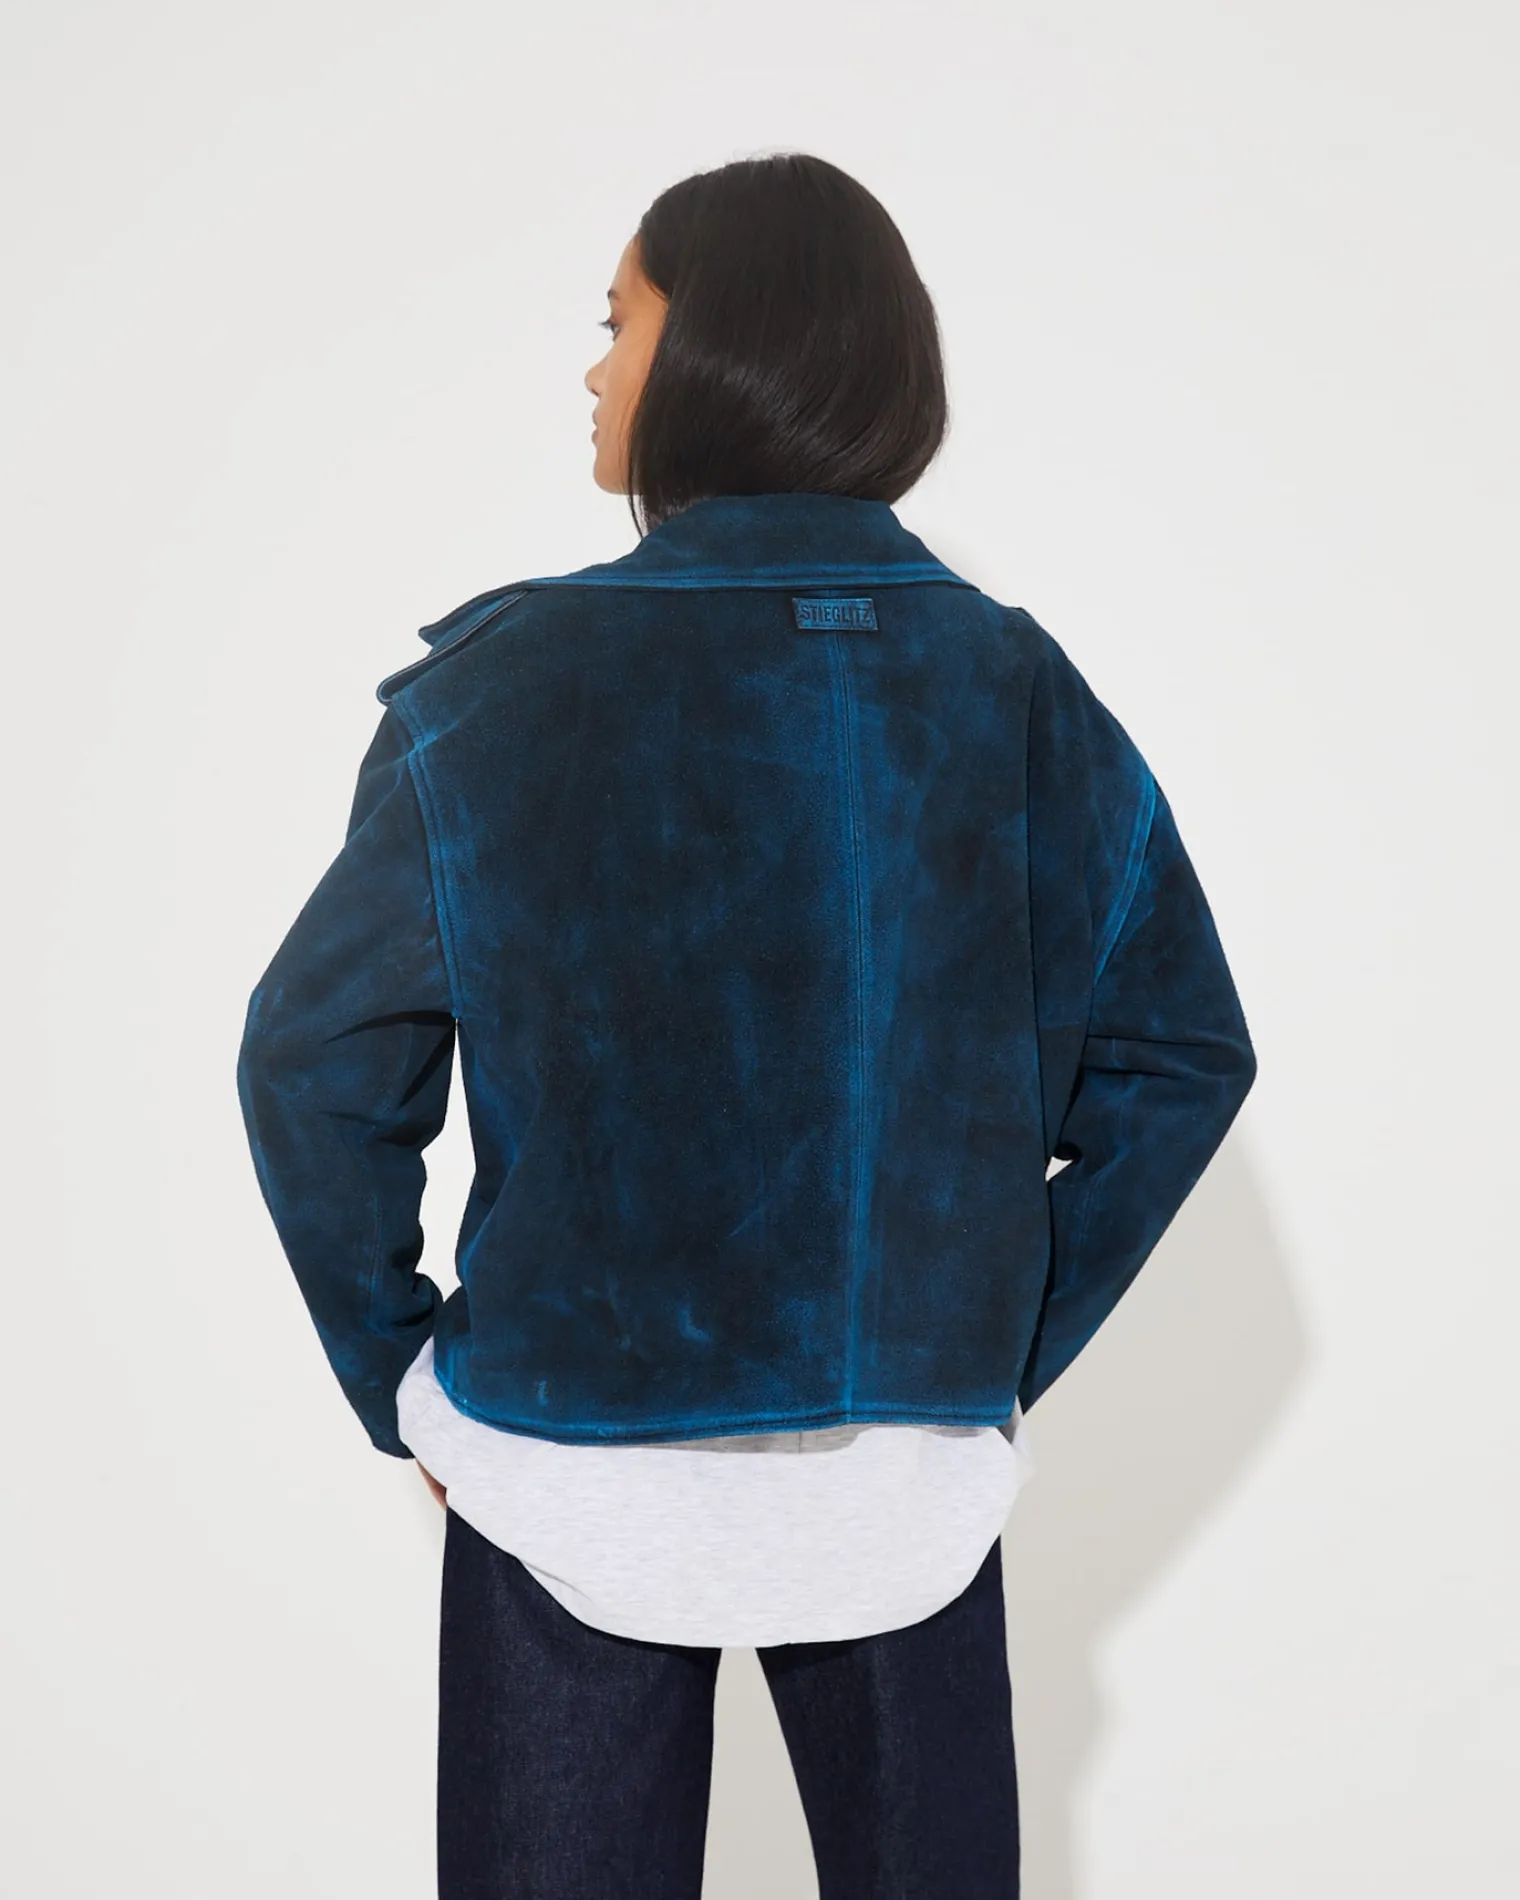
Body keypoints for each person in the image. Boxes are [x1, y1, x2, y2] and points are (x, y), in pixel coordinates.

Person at [236, 151, 1256, 1900]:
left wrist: (399, 1380)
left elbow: (314, 1062)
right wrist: (986, 1349)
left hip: (566, 1475)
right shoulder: (1012, 687)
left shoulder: (495, 694)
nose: (593, 369)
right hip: (905, 1496)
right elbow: (1180, 1055)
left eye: (618, 321)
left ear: (721, 347)